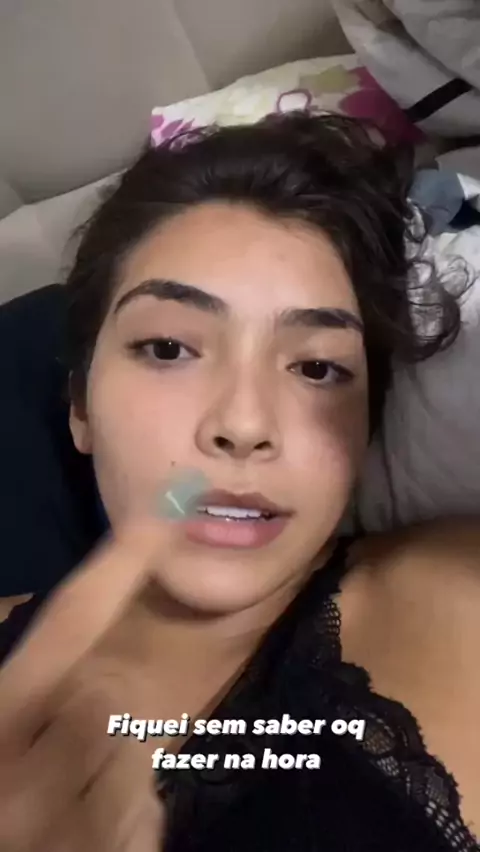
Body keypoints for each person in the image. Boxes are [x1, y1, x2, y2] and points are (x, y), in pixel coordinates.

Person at [0, 113, 478, 851]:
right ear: (80, 408)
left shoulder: (457, 605)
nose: (245, 423)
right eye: (168, 348)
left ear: (365, 430)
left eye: (317, 367)